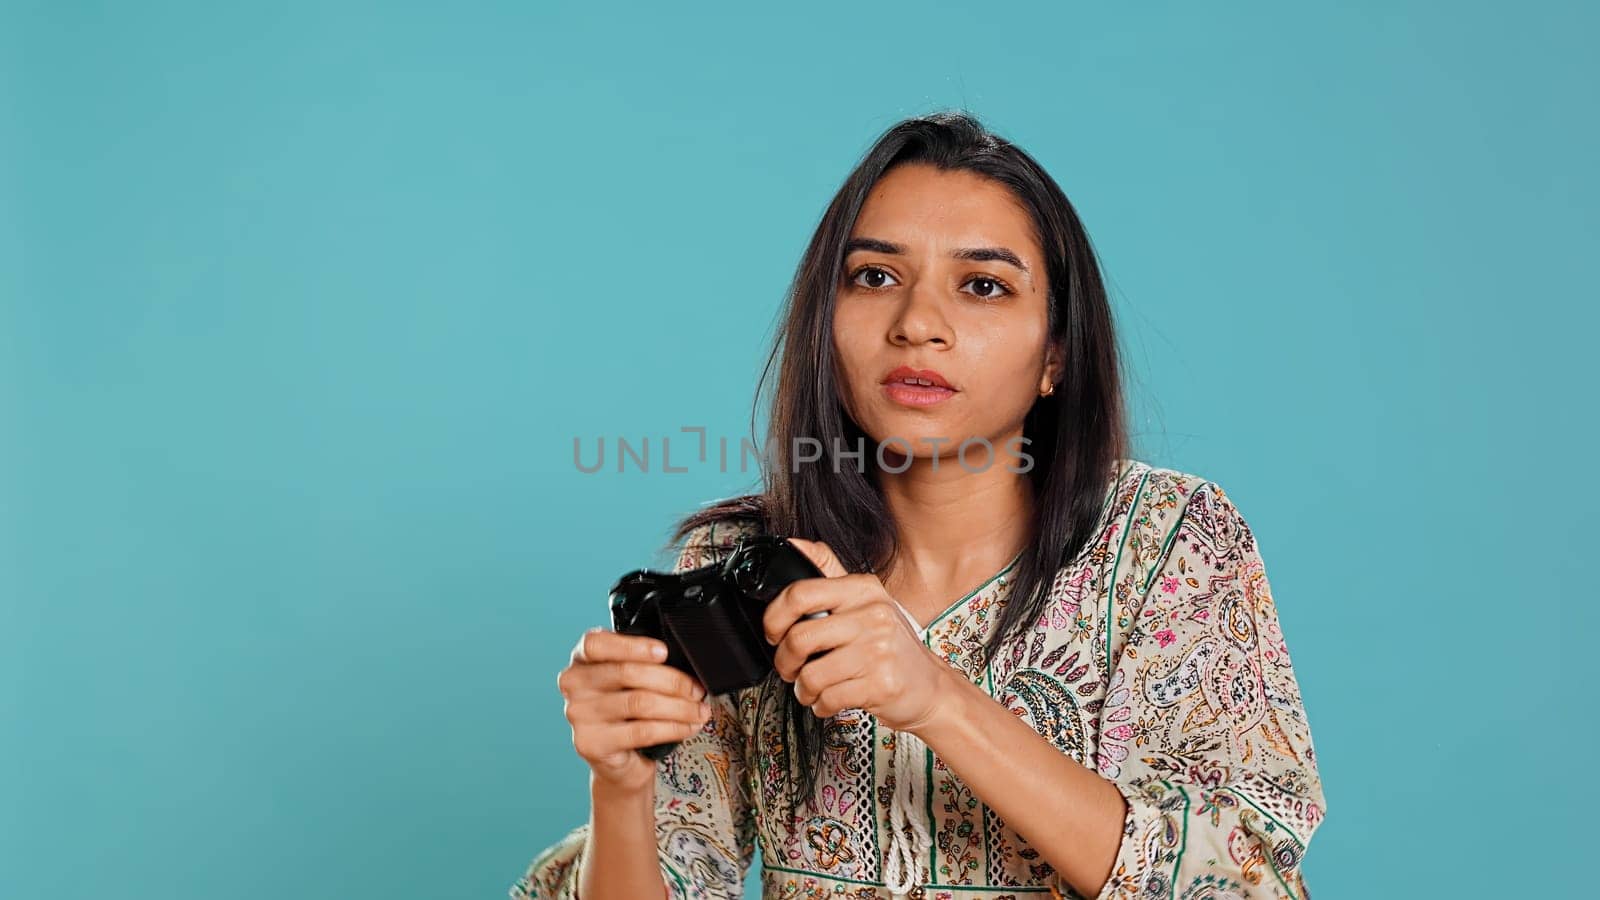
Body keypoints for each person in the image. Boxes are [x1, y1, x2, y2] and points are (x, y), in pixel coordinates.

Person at [510, 112, 1326, 900]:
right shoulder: (741, 566)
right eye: (875, 277)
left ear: (1056, 355)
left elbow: (1241, 885)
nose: (918, 325)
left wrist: (938, 699)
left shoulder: (1167, 544)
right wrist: (620, 789)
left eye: (982, 285)